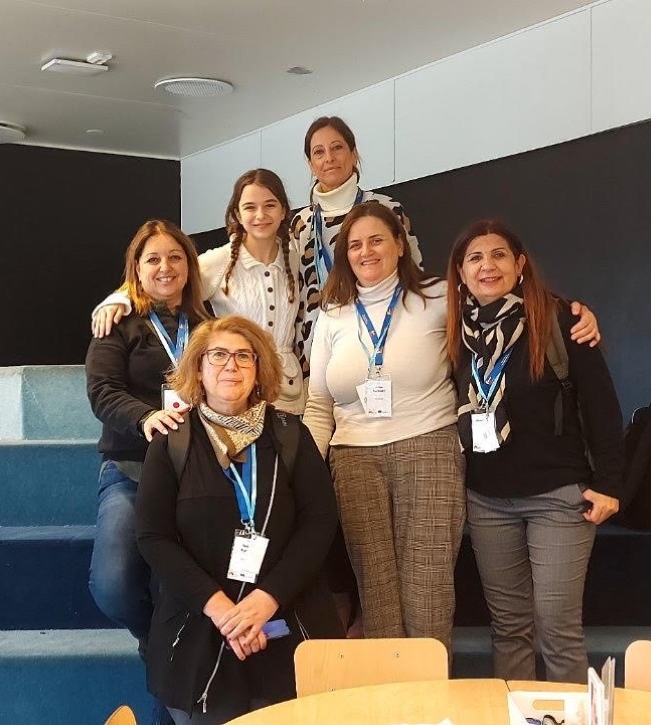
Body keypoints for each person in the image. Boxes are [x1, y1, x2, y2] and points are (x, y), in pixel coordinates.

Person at [136, 315, 343, 725]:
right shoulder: (172, 441)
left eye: (244, 356)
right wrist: (224, 613)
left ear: (258, 369)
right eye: (218, 355)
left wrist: (265, 601)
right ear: (198, 368)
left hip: (286, 624)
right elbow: (153, 537)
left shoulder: (291, 434)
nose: (231, 365)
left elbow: (319, 523)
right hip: (199, 633)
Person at [445, 220, 624, 683]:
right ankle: (515, 712)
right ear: (461, 272)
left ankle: (570, 714)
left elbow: (602, 405)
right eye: (475, 258)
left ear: (520, 264)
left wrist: (609, 483)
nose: (488, 266)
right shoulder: (454, 332)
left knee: (556, 628)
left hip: (558, 497)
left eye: (499, 255)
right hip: (487, 499)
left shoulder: (560, 319)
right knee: (508, 628)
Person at [302, 200, 462, 647]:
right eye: (355, 245)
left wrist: (572, 312)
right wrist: (306, 468)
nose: (365, 252)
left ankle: (430, 690)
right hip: (353, 459)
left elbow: (501, 304)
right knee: (377, 597)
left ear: (400, 245)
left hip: (428, 449)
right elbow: (319, 404)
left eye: (376, 240)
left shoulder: (438, 296)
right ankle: (389, 689)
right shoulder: (332, 314)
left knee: (427, 592)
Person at [84, 219, 210, 722]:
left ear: (189, 266)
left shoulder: (207, 322)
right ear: (136, 268)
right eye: (153, 259)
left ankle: (168, 676)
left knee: (178, 590)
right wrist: (145, 418)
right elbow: (102, 392)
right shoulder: (118, 322)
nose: (165, 267)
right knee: (112, 585)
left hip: (193, 476)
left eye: (175, 257)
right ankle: (155, 640)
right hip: (132, 469)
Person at [91, 170, 308, 414]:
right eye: (250, 207)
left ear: (283, 210)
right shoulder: (219, 261)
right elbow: (168, 280)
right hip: (237, 387)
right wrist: (117, 300)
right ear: (237, 214)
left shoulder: (294, 257)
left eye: (270, 205)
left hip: (289, 390)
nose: (260, 215)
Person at [291, 116, 424, 361]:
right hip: (316, 351)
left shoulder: (386, 209)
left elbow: (415, 276)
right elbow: (295, 296)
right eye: (319, 152)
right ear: (310, 164)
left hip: (385, 341)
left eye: (337, 148)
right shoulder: (301, 223)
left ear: (353, 155)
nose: (329, 158)